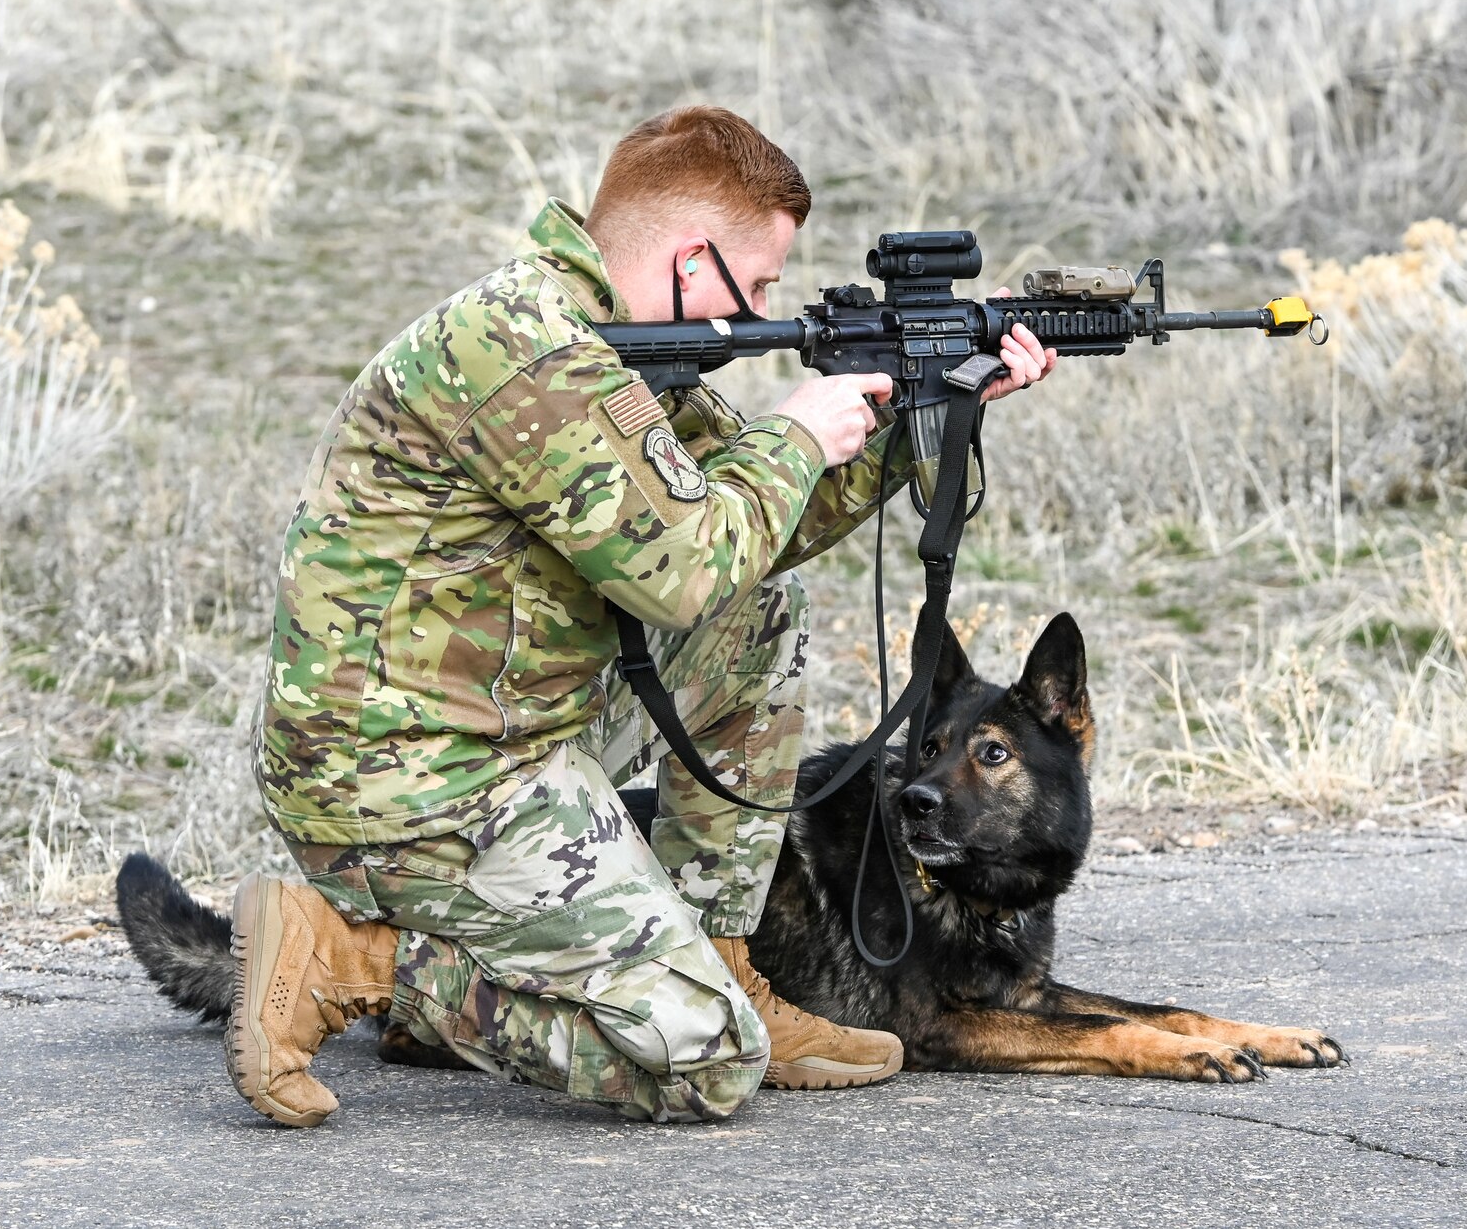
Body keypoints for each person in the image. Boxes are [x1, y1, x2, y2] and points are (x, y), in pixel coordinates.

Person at [227, 106, 1051, 1126]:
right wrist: (795, 434)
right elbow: (678, 569)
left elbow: (747, 540)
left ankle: (721, 953)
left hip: (507, 719)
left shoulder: (623, 349)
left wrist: (915, 415)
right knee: (704, 1065)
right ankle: (358, 956)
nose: (759, 312)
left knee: (758, 614)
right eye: (751, 286)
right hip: (400, 783)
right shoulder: (527, 354)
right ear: (686, 257)